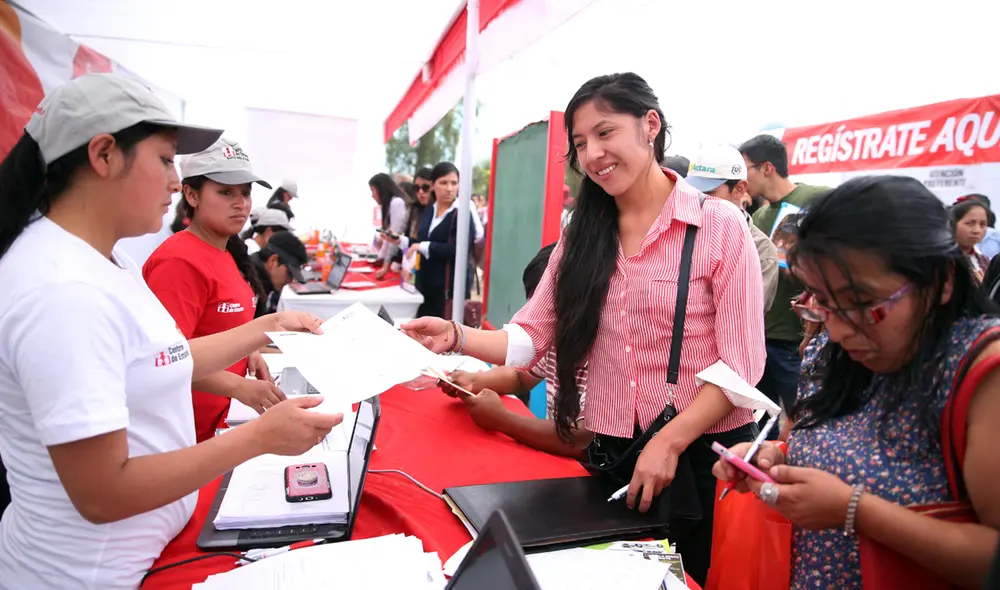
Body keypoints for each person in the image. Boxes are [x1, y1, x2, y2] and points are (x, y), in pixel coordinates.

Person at [402, 73, 765, 584]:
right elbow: (533, 336)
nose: (593, 154)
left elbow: (741, 365)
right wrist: (456, 337)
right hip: (613, 456)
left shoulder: (719, 226)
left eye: (605, 132)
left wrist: (670, 441)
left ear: (650, 126)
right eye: (580, 143)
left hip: (699, 460)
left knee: (687, 579)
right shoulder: (582, 235)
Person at [0, 73, 342, 589]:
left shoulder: (102, 260)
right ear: (104, 155)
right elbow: (103, 494)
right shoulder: (63, 291)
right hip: (95, 574)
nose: (172, 181)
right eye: (164, 160)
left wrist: (266, 326)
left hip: (149, 548)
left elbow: (161, 359)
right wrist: (259, 437)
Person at [714, 175, 1000, 589]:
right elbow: (835, 446)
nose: (839, 329)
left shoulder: (982, 372)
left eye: (863, 304)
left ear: (941, 281)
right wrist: (775, 460)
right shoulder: (837, 349)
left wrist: (856, 510)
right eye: (822, 303)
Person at [143, 138, 282, 441]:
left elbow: (221, 326)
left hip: (223, 421)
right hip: (189, 434)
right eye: (226, 192)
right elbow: (162, 360)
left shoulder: (226, 251)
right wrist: (238, 387)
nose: (240, 203)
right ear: (191, 195)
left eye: (246, 192)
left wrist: (250, 351)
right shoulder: (178, 262)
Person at [441, 244, 589, 455]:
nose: (537, 320)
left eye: (547, 310)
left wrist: (502, 420)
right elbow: (520, 376)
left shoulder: (609, 355)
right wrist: (473, 381)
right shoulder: (554, 338)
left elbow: (582, 440)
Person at [740, 134, 827, 422]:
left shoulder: (814, 199)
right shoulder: (759, 215)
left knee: (802, 417)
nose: (742, 178)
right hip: (759, 335)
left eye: (745, 169)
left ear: (767, 168)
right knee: (759, 419)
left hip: (795, 336)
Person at [686, 143, 779, 311]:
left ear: (739, 189)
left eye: (708, 193)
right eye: (692, 192)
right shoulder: (680, 232)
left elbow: (744, 313)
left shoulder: (761, 250)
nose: (698, 200)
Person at [404, 162, 476, 319]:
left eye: (454, 183)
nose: (449, 188)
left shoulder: (462, 214)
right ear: (432, 185)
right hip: (424, 287)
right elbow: (421, 240)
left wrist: (423, 247)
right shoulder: (429, 210)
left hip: (448, 291)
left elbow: (458, 250)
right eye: (443, 183)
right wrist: (402, 242)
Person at [251, 230, 308, 317]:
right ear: (273, 260)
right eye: (289, 274)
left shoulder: (259, 281)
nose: (291, 280)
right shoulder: (249, 284)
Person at [369, 172, 409, 279]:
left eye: (372, 190)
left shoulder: (397, 203)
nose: (372, 195)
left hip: (402, 260)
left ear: (380, 189)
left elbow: (394, 237)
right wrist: (380, 258)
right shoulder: (389, 204)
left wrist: (385, 265)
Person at [950, 197, 990, 284]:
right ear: (952, 224)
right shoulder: (942, 260)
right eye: (970, 224)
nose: (977, 230)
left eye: (982, 224)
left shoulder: (984, 260)